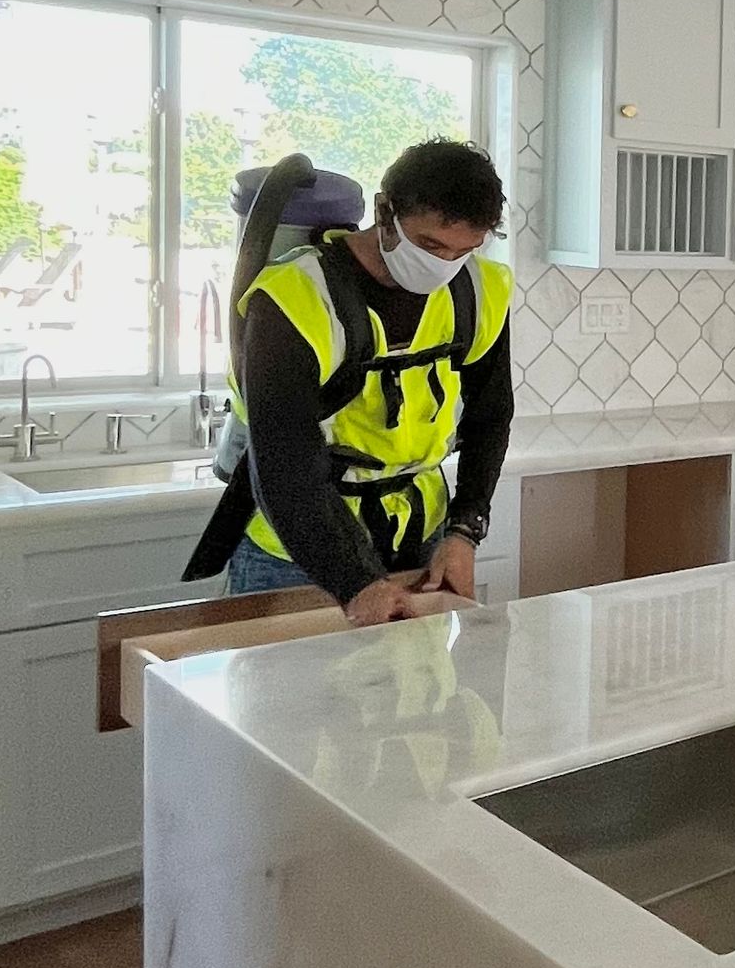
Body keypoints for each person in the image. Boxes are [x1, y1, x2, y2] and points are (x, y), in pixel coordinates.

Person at [213, 138, 514, 623]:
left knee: (418, 695)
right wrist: (354, 580)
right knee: (282, 699)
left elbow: (490, 416)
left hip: (419, 545)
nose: (443, 266)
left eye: (465, 250)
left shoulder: (479, 291)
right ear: (383, 211)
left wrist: (464, 531)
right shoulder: (293, 299)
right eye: (430, 245)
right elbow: (283, 462)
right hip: (294, 558)